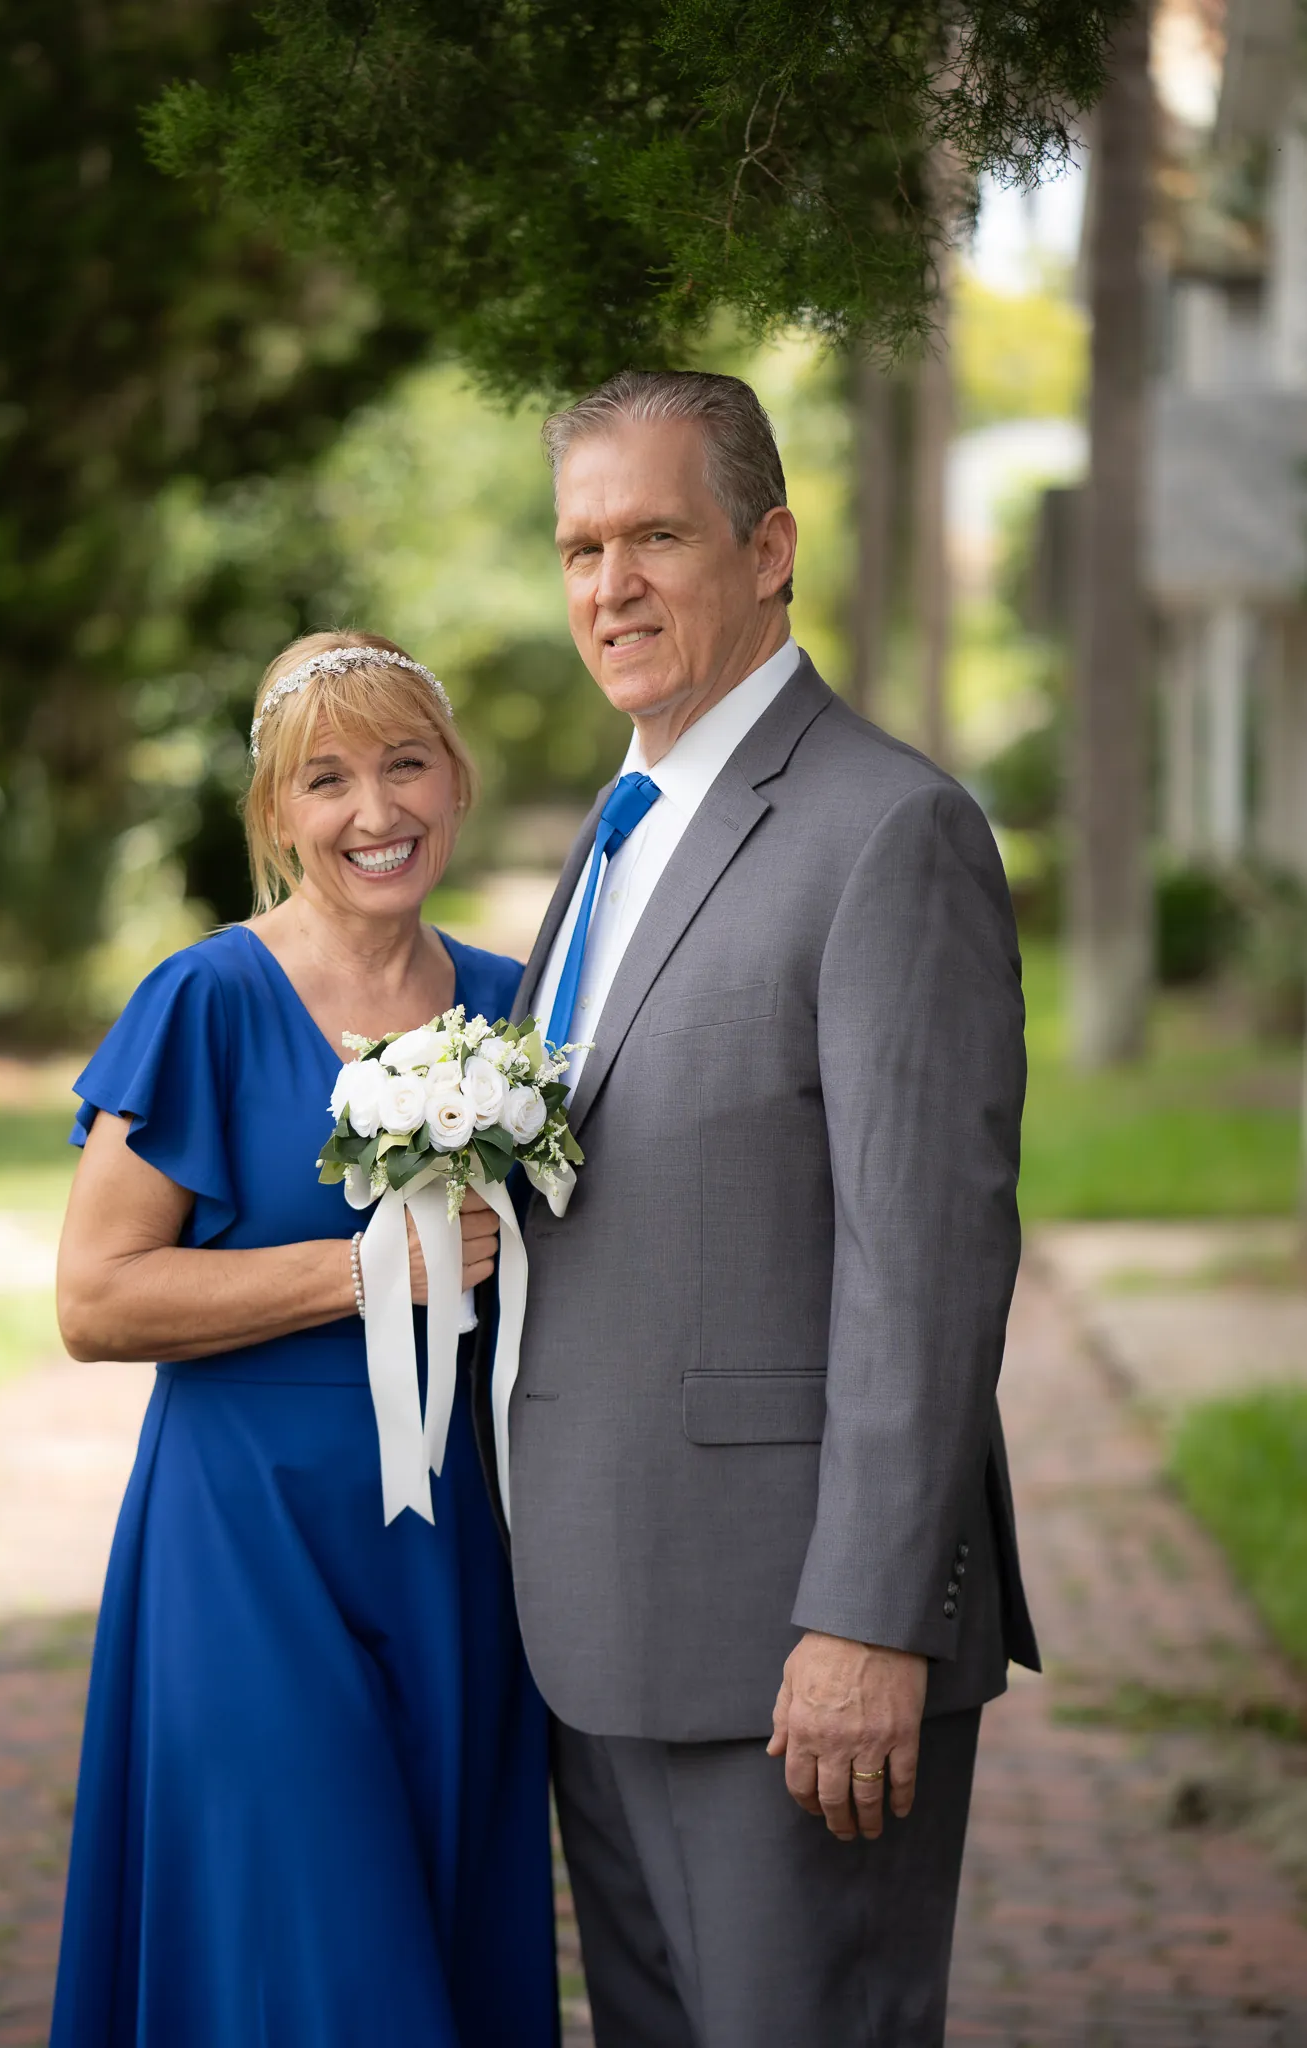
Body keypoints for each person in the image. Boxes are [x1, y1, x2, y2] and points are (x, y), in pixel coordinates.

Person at [499, 370, 1041, 2047]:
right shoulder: (620, 828)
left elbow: (927, 1267)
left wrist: (867, 1619)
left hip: (791, 1648)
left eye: (657, 533)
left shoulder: (891, 831)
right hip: (599, 1628)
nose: (613, 586)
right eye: (584, 546)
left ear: (771, 547)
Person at [50, 631, 558, 2048]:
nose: (375, 811)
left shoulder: (516, 1007)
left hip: (458, 1552)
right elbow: (96, 1300)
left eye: (407, 766)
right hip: (247, 1545)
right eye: (327, 780)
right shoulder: (207, 999)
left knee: (435, 1927)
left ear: (457, 784)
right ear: (278, 816)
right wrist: (357, 1271)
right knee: (319, 1949)